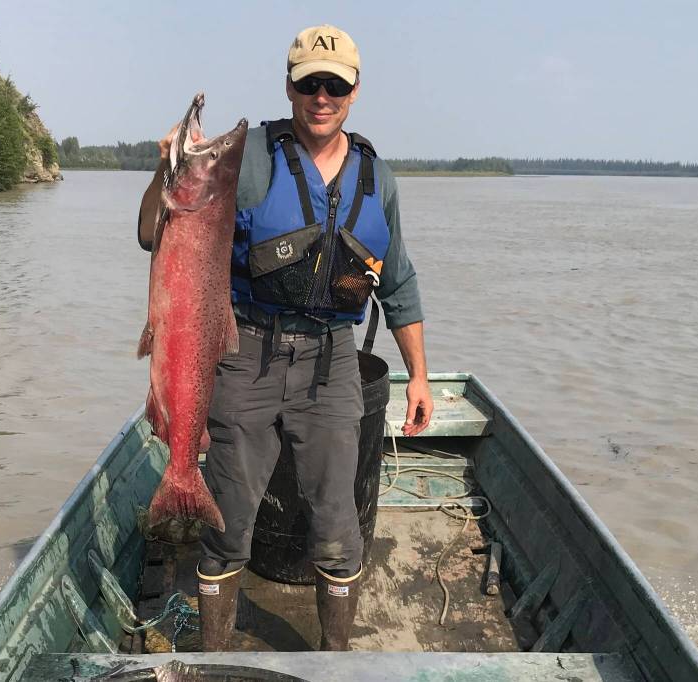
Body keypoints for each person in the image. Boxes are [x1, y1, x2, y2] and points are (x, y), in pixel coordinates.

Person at [138, 24, 432, 652]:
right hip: (246, 355)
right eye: (308, 83)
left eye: (334, 85)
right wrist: (164, 170)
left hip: (332, 364)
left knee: (337, 524)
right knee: (229, 523)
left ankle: (334, 657)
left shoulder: (378, 177)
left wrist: (420, 378)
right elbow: (151, 232)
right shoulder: (251, 161)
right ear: (290, 86)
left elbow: (398, 281)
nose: (321, 96)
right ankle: (214, 655)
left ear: (354, 91)